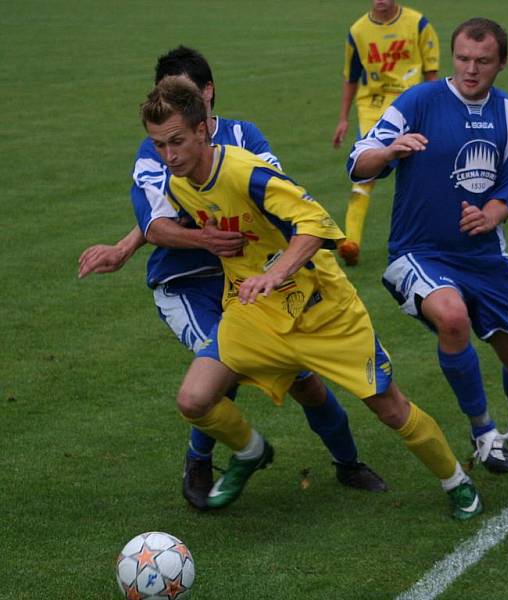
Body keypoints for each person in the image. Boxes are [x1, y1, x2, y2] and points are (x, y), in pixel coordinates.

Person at [139, 75, 483, 520]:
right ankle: (250, 451)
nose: (169, 155)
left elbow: (315, 223)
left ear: (203, 130)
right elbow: (161, 212)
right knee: (194, 400)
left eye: (177, 142)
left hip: (323, 311)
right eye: (158, 146)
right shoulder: (180, 179)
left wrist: (275, 273)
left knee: (389, 408)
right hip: (255, 316)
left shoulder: (246, 172)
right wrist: (125, 246)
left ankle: (457, 481)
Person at [78, 46, 387, 511]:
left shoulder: (244, 136)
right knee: (224, 371)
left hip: (249, 280)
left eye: (184, 92)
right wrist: (192, 240)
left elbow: (274, 199)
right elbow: (158, 220)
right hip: (186, 283)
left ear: (206, 94)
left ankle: (348, 462)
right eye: (166, 93)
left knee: (306, 381)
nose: (174, 105)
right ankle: (199, 460)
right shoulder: (157, 148)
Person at [347, 18, 508, 474]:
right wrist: (389, 152)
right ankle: (484, 431)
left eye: (483, 61)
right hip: (418, 252)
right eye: (463, 59)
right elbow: (357, 162)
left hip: (484, 255)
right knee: (453, 318)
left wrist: (490, 214)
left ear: (501, 63)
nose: (471, 69)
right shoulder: (419, 101)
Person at [332, 0, 439, 266]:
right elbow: (351, 76)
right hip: (373, 107)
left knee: (421, 168)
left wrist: (433, 110)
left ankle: (425, 239)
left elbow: (431, 74)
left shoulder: (418, 23)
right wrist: (343, 118)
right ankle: (350, 242)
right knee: (366, 167)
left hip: (412, 103)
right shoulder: (358, 30)